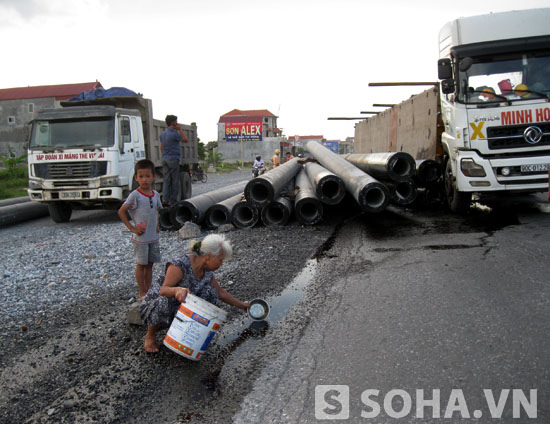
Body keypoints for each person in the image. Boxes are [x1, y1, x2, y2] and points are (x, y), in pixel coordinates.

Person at [140, 234, 250, 353]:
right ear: (208, 256)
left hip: (181, 306)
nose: (221, 264)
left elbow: (220, 293)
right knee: (166, 300)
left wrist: (241, 305)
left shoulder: (206, 271)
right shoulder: (179, 265)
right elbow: (164, 290)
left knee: (211, 293)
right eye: (220, 260)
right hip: (154, 306)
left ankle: (186, 333)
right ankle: (150, 335)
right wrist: (177, 290)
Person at [118, 159, 163, 300]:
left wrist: (157, 225)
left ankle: (149, 290)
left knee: (150, 264)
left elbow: (157, 210)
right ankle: (141, 292)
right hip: (141, 238)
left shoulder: (155, 194)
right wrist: (132, 228)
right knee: (141, 265)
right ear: (136, 178)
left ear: (153, 177)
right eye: (141, 176)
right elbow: (121, 211)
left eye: (148, 176)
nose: (145, 179)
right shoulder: (135, 195)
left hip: (153, 237)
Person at [160, 115, 188, 206]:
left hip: (165, 158)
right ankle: (173, 201)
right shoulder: (174, 133)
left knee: (166, 179)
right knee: (175, 180)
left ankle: (165, 199)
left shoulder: (163, 134)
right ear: (174, 123)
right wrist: (180, 129)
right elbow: (185, 139)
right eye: (176, 121)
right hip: (173, 158)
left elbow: (161, 147)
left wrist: (165, 155)